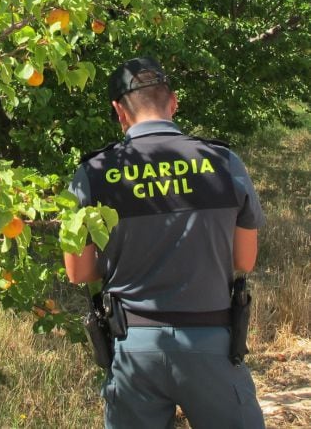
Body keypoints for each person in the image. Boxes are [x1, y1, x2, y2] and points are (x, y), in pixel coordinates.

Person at [64, 57, 266, 428]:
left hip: (133, 350)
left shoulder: (91, 174)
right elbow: (245, 260)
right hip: (211, 343)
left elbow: (78, 271)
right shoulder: (223, 162)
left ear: (119, 111)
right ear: (173, 102)